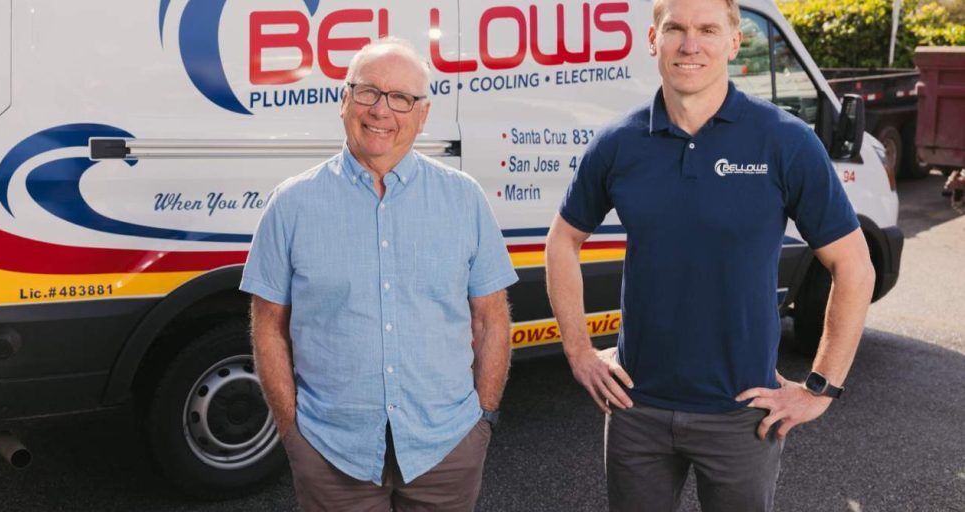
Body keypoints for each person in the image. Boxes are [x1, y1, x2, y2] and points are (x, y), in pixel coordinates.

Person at [544, 0, 876, 510]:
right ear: (653, 39)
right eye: (674, 28)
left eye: (707, 29)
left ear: (734, 42)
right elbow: (562, 241)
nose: (690, 44)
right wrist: (579, 352)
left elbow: (854, 267)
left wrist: (818, 388)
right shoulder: (618, 143)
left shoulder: (785, 141)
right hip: (637, 411)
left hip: (742, 416)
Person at [241, 38, 517, 512]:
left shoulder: (464, 199)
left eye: (401, 98)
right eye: (368, 92)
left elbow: (492, 319)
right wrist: (292, 431)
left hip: (446, 447)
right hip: (331, 453)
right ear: (344, 100)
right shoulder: (291, 205)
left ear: (423, 114)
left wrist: (482, 420)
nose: (381, 110)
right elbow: (269, 325)